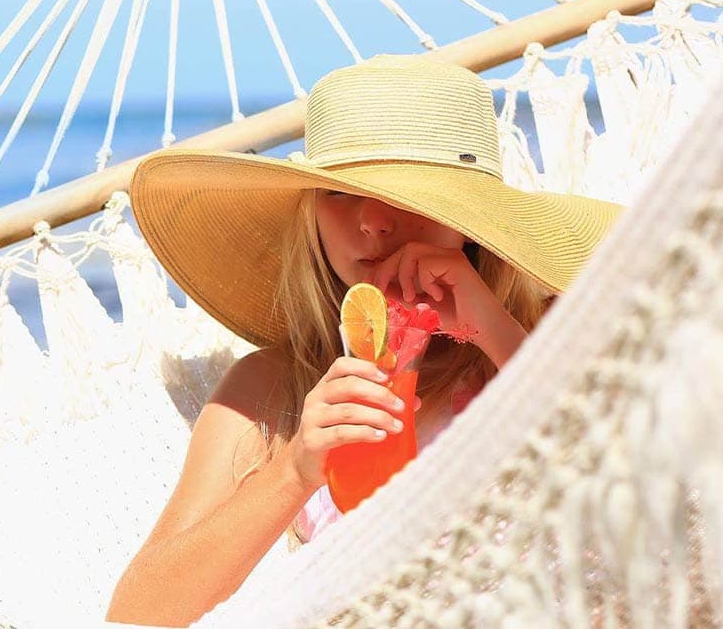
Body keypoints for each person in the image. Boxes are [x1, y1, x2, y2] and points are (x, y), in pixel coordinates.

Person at [104, 55, 623, 626]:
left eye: (411, 196)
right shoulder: (275, 391)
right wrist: (295, 470)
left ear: (469, 217)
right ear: (312, 214)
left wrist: (495, 332)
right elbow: (141, 614)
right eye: (340, 194)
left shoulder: (544, 336)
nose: (373, 222)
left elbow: (649, 500)